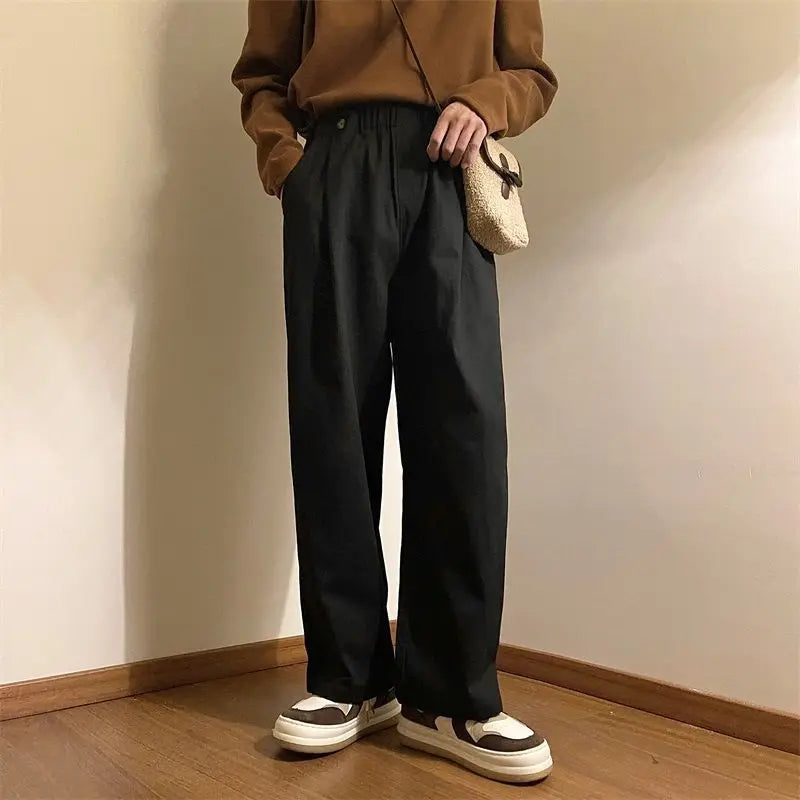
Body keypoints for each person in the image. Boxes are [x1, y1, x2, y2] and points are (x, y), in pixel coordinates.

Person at [231, 0, 557, 784]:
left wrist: (485, 102)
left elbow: (531, 74)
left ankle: (451, 696)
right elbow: (263, 76)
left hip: (451, 172)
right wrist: (288, 162)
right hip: (334, 167)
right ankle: (350, 679)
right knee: (333, 424)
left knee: (463, 431)